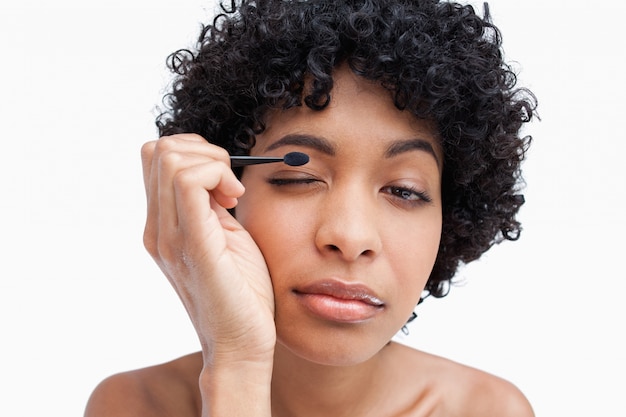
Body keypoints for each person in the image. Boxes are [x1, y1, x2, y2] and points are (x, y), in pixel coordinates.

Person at [85, 0, 537, 415]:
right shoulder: (133, 406)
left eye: (404, 190)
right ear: (223, 194)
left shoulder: (488, 409)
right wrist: (236, 366)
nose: (351, 236)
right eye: (299, 178)